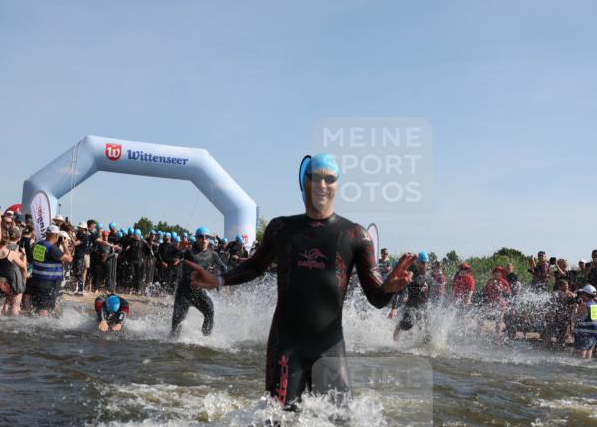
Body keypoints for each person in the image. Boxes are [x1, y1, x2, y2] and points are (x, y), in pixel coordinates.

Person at [185, 153, 413, 409]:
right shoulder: (281, 229)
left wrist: (389, 289)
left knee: (340, 425)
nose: (323, 185)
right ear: (304, 182)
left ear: (338, 186)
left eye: (330, 179)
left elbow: (377, 298)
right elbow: (255, 266)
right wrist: (218, 279)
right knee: (276, 423)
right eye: (315, 178)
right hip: (286, 347)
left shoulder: (355, 235)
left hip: (330, 350)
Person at [170, 226, 227, 336]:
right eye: (201, 237)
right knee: (176, 328)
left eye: (206, 237)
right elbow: (170, 256)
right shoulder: (188, 251)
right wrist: (177, 251)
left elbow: (224, 267)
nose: (204, 240)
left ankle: (205, 338)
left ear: (209, 239)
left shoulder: (213, 255)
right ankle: (172, 341)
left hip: (198, 293)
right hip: (183, 293)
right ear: (196, 238)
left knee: (210, 311)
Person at [25, 224, 73, 316]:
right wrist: (65, 245)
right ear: (56, 235)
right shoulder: (52, 248)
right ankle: (43, 324)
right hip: (48, 282)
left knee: (37, 306)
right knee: (44, 308)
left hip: (36, 279)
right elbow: (69, 259)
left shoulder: (38, 244)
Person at [391, 252, 432, 341]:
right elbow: (400, 290)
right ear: (417, 262)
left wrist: (427, 308)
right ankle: (398, 327)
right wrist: (394, 307)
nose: (425, 265)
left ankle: (420, 344)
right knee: (409, 323)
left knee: (428, 332)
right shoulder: (412, 275)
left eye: (426, 263)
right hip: (410, 306)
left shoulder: (428, 277)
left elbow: (428, 294)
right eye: (422, 263)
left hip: (422, 307)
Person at [0, 227, 27, 316]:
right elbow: (23, 266)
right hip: (5, 281)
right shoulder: (10, 252)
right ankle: (12, 324)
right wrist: (24, 254)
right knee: (14, 308)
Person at [572, 284, 597, 359]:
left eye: (582, 293)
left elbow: (575, 318)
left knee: (580, 356)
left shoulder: (584, 305)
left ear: (585, 294)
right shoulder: (595, 304)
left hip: (585, 333)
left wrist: (576, 307)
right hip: (595, 334)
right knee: (589, 352)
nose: (581, 295)